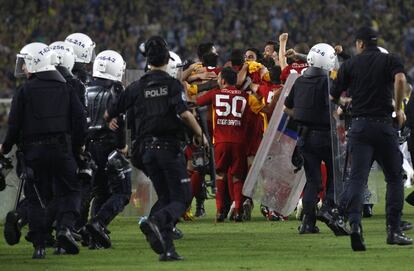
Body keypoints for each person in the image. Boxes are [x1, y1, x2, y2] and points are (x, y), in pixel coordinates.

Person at [105, 36, 207, 261]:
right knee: (181, 198)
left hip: (144, 152)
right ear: (166, 60)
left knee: (167, 197)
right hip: (168, 148)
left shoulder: (135, 87)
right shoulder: (171, 85)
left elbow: (109, 114)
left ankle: (168, 250)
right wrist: (200, 135)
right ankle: (156, 221)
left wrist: (113, 122)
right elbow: (184, 114)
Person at [0, 42, 86, 258]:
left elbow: (14, 126)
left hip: (33, 154)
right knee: (71, 191)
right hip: (61, 150)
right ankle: (65, 228)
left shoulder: (25, 91)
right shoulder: (66, 88)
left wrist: (6, 148)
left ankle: (39, 247)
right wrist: (76, 149)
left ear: (34, 62)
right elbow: (80, 122)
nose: (24, 68)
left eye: (26, 63)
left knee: (36, 197)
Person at [331, 26, 413, 251]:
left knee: (357, 179)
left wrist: (347, 104)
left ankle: (355, 226)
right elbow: (399, 80)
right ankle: (394, 230)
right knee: (395, 178)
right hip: (384, 126)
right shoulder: (390, 60)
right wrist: (398, 110)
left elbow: (333, 96)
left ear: (359, 44)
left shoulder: (350, 64)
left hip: (359, 127)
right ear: (376, 43)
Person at [284, 43, 349, 236]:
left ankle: (307, 224)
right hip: (326, 136)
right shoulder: (328, 82)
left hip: (303, 137)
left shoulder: (299, 81)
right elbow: (337, 107)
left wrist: (303, 115)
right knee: (335, 178)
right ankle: (327, 209)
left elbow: (287, 108)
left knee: (312, 181)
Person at [196, 67, 266, 222]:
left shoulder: (215, 94)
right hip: (239, 143)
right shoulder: (246, 97)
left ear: (222, 81)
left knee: (220, 175)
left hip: (220, 142)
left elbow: (196, 102)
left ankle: (220, 211)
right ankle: (238, 211)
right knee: (237, 177)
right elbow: (263, 110)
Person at [83, 50, 131, 249]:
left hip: (90, 147)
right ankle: (98, 223)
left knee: (100, 192)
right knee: (123, 193)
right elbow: (120, 120)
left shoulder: (84, 88)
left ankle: (93, 238)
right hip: (109, 147)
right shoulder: (117, 89)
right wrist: (122, 146)